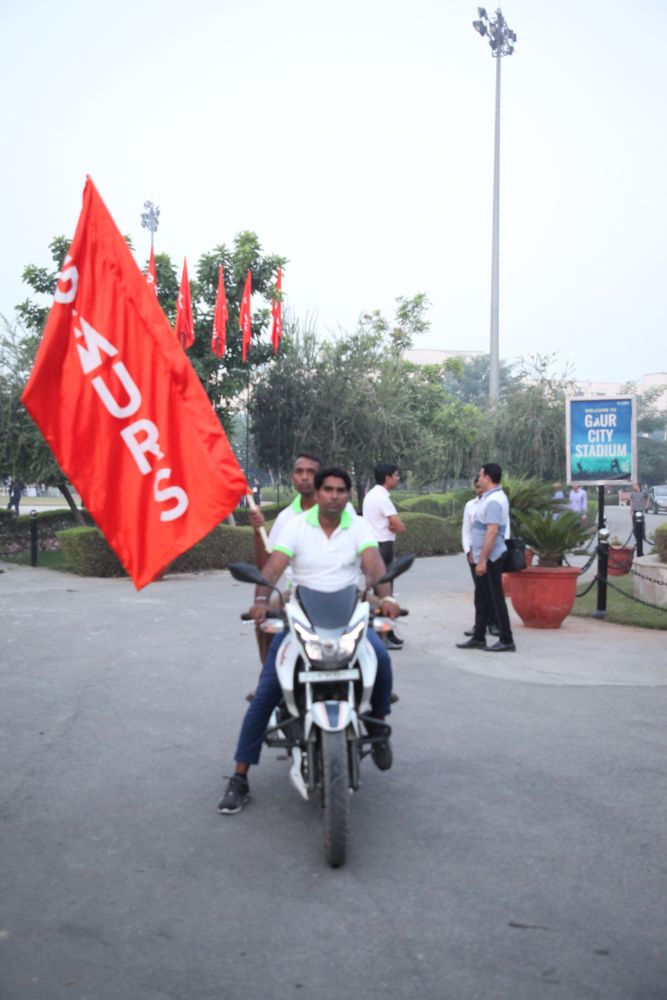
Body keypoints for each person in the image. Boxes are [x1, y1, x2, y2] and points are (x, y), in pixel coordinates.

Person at [218, 466, 400, 815]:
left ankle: (378, 725)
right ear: (317, 494)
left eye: (341, 490)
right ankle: (240, 777)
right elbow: (273, 568)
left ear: (348, 495)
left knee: (381, 657)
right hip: (302, 620)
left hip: (347, 619)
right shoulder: (297, 527)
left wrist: (387, 597)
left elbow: (374, 565)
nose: (334, 495)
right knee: (266, 692)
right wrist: (261, 601)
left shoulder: (357, 525)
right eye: (328, 489)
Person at [249, 452, 322, 663]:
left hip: (341, 591)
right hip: (297, 593)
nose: (305, 477)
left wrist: (385, 597)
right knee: (265, 620)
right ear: (292, 477)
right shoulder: (287, 518)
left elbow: (369, 559)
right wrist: (258, 532)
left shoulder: (341, 511)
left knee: (377, 618)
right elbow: (267, 567)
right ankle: (268, 673)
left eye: (311, 472)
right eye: (300, 472)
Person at [456, 463, 515, 653]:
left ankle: (506, 639)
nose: (479, 478)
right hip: (483, 556)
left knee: (496, 598)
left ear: (488, 478)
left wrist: (482, 560)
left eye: (481, 475)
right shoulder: (489, 498)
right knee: (481, 597)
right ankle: (478, 637)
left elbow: (492, 532)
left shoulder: (494, 501)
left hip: (491, 557)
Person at [362, 462, 406, 650]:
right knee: (383, 595)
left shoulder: (371, 495)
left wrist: (392, 526)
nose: (398, 478)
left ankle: (388, 632)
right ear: (387, 477)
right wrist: (395, 526)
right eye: (396, 475)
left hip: (376, 546)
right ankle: (382, 636)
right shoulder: (382, 498)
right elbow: (400, 526)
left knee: (383, 593)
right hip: (382, 547)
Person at [461, 477, 499, 638]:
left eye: (481, 486)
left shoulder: (495, 503)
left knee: (492, 589)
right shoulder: (470, 505)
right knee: (480, 590)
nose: (479, 490)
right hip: (474, 555)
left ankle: (494, 623)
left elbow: (500, 530)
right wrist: (467, 550)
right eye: (477, 487)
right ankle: (480, 624)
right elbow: (466, 530)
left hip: (492, 554)